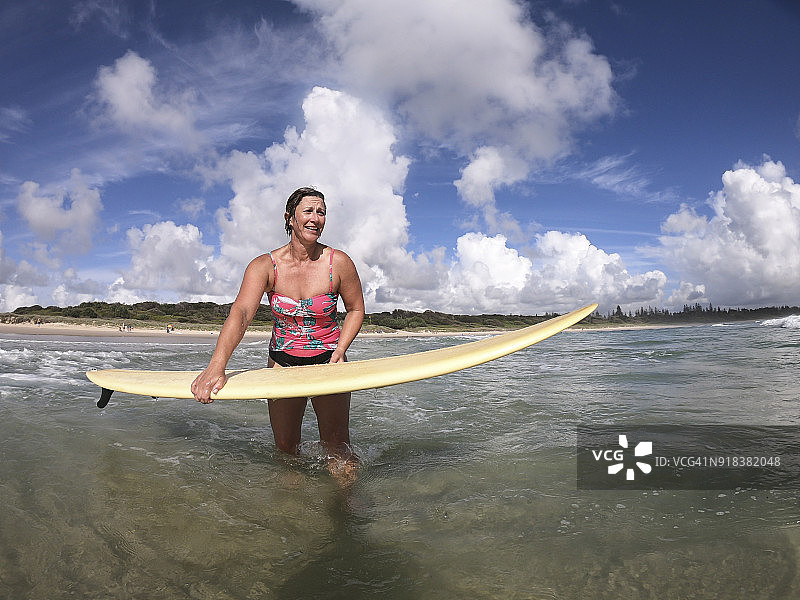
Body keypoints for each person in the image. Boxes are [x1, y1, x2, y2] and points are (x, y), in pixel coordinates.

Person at [191, 187, 365, 472]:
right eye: (308, 211)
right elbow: (242, 313)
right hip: (282, 365)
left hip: (329, 364)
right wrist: (216, 366)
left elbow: (356, 309)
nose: (315, 218)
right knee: (286, 450)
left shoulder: (339, 263)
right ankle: (290, 512)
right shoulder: (265, 266)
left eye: (321, 212)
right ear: (290, 219)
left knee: (338, 449)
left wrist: (341, 350)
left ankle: (347, 507)